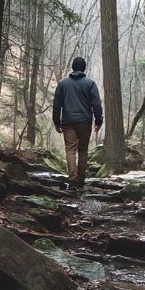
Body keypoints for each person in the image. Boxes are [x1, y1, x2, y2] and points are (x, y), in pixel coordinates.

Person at [52, 57, 103, 190]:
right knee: (83, 150)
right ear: (84, 68)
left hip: (68, 121)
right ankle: (81, 179)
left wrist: (56, 121)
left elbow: (57, 104)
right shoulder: (90, 83)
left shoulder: (63, 84)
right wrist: (99, 120)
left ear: (73, 67)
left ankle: (72, 179)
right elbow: (96, 104)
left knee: (70, 150)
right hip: (85, 121)